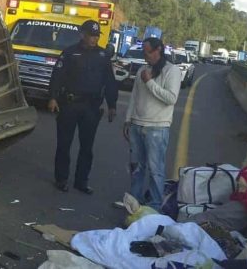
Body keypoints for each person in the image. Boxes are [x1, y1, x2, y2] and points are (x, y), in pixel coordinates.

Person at [48, 20, 118, 193]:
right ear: (82, 34)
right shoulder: (70, 53)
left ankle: (82, 181)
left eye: (96, 36)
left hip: (91, 107)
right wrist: (53, 98)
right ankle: (61, 179)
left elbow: (109, 82)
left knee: (87, 148)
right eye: (91, 35)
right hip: (70, 104)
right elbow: (57, 76)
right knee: (64, 144)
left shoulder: (103, 56)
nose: (94, 39)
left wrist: (112, 105)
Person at [123, 37, 182, 210]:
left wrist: (149, 82)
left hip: (157, 127)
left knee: (155, 169)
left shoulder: (172, 71)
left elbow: (171, 98)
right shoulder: (143, 69)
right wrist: (128, 120)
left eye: (148, 52)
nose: (145, 55)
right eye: (144, 52)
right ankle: (134, 200)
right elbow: (134, 96)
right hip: (136, 125)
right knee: (136, 166)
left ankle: (155, 204)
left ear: (159, 50)